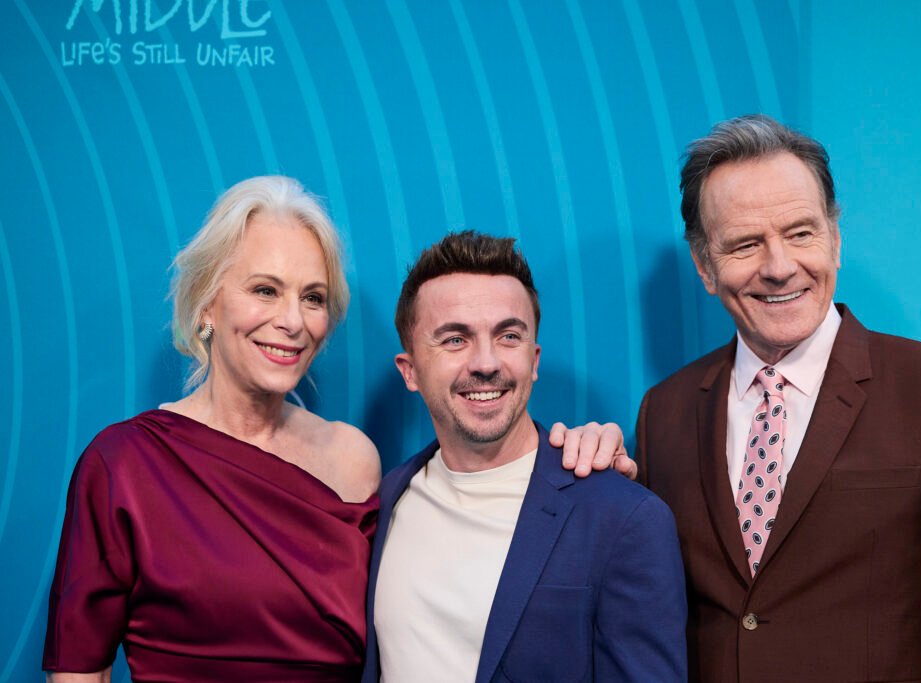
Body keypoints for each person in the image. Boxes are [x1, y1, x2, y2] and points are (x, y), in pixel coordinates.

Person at [42, 177, 628, 682]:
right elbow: (78, 665)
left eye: (313, 298)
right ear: (206, 304)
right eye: (265, 290)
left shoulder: (355, 460)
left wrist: (578, 456)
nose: (292, 321)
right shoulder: (123, 464)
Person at [636, 115, 921, 680]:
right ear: (704, 266)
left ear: (835, 241)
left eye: (800, 233)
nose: (779, 266)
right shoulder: (663, 412)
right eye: (746, 244)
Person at [361, 231, 688, 682]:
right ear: (410, 370)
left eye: (508, 336)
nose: (486, 363)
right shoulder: (386, 500)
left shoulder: (622, 517)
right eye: (455, 340)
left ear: (533, 359)